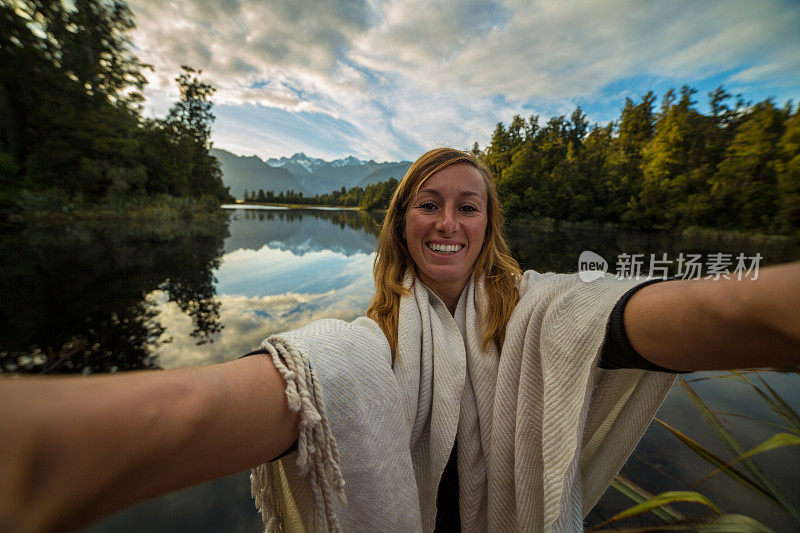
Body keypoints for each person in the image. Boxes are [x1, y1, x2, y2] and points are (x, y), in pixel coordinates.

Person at [0, 148, 798, 532]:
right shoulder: (362, 342)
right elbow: (278, 390)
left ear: (489, 226)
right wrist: (47, 450)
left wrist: (765, 313)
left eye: (468, 206)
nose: (448, 222)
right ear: (400, 222)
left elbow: (699, 311)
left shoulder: (547, 309)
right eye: (428, 203)